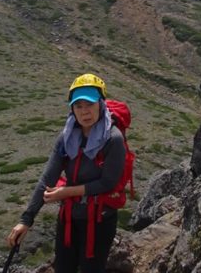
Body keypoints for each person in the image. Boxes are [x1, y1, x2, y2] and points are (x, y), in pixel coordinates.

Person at [7, 73, 125, 272]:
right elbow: (48, 178)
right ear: (72, 108)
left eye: (90, 104)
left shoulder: (113, 138)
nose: (84, 111)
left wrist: (66, 192)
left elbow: (107, 183)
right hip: (69, 218)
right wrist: (26, 220)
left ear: (101, 104)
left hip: (99, 221)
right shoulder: (67, 137)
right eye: (78, 106)